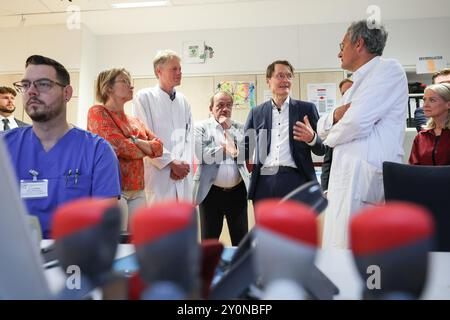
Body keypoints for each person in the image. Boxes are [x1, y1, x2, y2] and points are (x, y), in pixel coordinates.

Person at [3, 55, 121, 239]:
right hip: (14, 255)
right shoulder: (5, 146)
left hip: (75, 257)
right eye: (26, 85)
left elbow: (105, 225)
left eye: (42, 84)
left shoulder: (97, 151)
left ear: (67, 93)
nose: (31, 91)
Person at [318, 20, 409, 249]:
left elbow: (355, 123)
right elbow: (322, 126)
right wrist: (337, 116)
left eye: (342, 45)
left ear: (359, 44)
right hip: (344, 180)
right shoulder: (355, 83)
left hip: (364, 181)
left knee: (364, 257)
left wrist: (333, 132)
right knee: (338, 251)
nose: (339, 53)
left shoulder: (388, 70)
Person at [87, 68, 163, 228]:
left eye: (130, 82)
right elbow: (117, 146)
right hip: (113, 191)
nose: (131, 86)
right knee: (116, 244)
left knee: (137, 242)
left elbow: (159, 148)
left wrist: (134, 141)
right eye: (125, 81)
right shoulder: (97, 112)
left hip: (138, 191)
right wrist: (144, 147)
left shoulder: (134, 120)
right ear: (108, 87)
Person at [244, 60, 326, 203]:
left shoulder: (306, 109)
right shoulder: (256, 113)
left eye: (289, 76)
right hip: (264, 182)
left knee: (296, 226)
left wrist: (312, 138)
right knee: (265, 226)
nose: (286, 80)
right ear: (268, 81)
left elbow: (322, 149)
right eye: (280, 76)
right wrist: (232, 150)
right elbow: (247, 148)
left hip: (297, 180)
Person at [133, 50, 193, 203]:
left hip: (183, 175)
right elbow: (144, 138)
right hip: (159, 176)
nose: (179, 72)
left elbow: (189, 137)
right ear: (158, 71)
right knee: (159, 225)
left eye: (180, 69)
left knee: (184, 225)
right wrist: (171, 163)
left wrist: (182, 166)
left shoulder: (183, 101)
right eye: (174, 69)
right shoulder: (144, 97)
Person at [193, 91, 250, 246]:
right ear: (211, 108)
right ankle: (208, 270)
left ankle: (240, 270)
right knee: (209, 242)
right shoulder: (200, 128)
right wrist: (225, 149)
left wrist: (229, 133)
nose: (225, 109)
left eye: (228, 105)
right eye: (220, 105)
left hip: (237, 192)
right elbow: (202, 155)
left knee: (241, 241)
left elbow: (246, 154)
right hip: (210, 192)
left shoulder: (240, 128)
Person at [320, 78, 353, 195]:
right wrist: (325, 188)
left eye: (350, 90)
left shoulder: (367, 115)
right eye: (344, 93)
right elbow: (328, 161)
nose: (347, 95)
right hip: (339, 181)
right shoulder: (335, 120)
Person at [409, 83, 450, 165]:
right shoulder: (421, 136)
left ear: (448, 104)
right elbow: (413, 169)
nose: (425, 105)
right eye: (424, 100)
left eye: (432, 100)